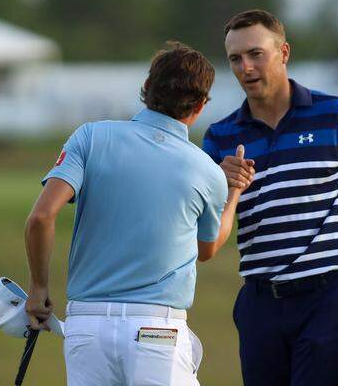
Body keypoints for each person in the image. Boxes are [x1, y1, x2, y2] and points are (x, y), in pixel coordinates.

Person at [201, 9, 338, 386]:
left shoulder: (335, 114)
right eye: (235, 58)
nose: (245, 67)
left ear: (283, 52)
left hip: (329, 297)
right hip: (259, 302)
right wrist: (225, 187)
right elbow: (209, 234)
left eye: (255, 54)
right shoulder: (219, 136)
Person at [23, 42, 243, 386]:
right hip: (158, 330)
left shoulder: (90, 137)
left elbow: (40, 217)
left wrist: (38, 287)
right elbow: (207, 248)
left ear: (146, 88)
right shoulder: (207, 171)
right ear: (200, 106)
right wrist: (233, 194)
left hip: (86, 327)